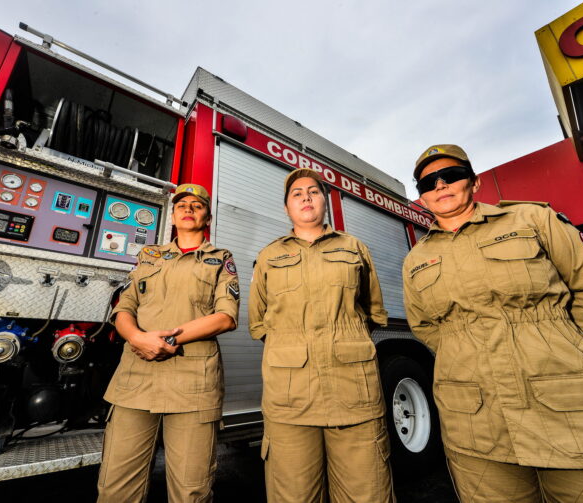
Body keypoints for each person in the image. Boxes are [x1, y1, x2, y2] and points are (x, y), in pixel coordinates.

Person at [402, 144, 583, 502]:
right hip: (476, 423)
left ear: (474, 183)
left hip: (573, 409)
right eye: (428, 183)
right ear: (423, 199)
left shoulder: (532, 220)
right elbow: (425, 325)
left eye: (452, 175)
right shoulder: (416, 258)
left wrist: (554, 339)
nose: (440, 185)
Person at [249, 168, 395, 503]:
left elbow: (372, 312)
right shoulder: (269, 256)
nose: (306, 198)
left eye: (313, 192)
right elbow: (258, 322)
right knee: (294, 495)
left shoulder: (354, 247)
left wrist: (342, 340)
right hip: (290, 399)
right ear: (286, 208)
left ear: (325, 203)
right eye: (297, 194)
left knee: (368, 493)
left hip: (353, 393)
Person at [96, 184, 240, 503]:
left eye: (197, 205)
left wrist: (166, 340)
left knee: (191, 490)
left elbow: (226, 317)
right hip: (134, 380)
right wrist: (135, 337)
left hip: (192, 385)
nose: (188, 209)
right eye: (182, 205)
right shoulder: (150, 256)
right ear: (173, 215)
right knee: (116, 486)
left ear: (208, 216)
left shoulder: (220, 259)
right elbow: (123, 307)